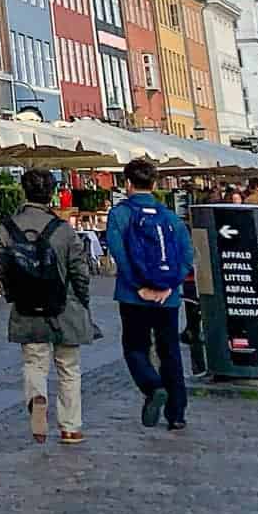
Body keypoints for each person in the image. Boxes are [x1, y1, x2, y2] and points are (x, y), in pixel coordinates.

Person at [1, 168, 93, 446]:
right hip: (63, 305)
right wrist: (82, 300)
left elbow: (1, 268)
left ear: (23, 191)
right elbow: (80, 270)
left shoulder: (8, 227)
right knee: (68, 367)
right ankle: (70, 427)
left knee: (34, 361)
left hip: (27, 305)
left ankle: (36, 397)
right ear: (52, 193)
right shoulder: (63, 229)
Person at [102, 158, 194, 430]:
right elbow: (187, 256)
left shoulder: (120, 214)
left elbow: (119, 253)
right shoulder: (170, 217)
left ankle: (153, 387)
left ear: (127, 183)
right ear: (154, 184)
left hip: (134, 296)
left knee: (135, 348)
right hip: (169, 297)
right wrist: (168, 286)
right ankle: (177, 413)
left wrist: (139, 287)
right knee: (170, 352)